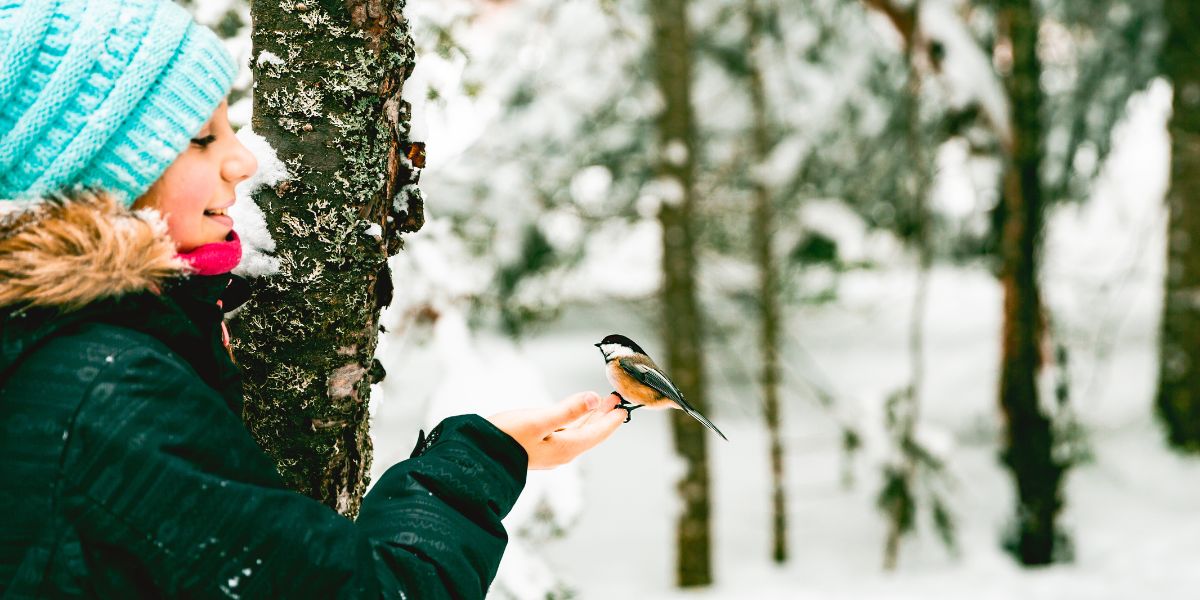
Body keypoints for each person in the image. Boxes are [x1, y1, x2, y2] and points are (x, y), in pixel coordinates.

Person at [0, 1, 625, 598]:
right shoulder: (108, 397)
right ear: (97, 172)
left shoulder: (47, 351)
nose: (241, 160)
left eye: (227, 127)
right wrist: (470, 471)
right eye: (199, 139)